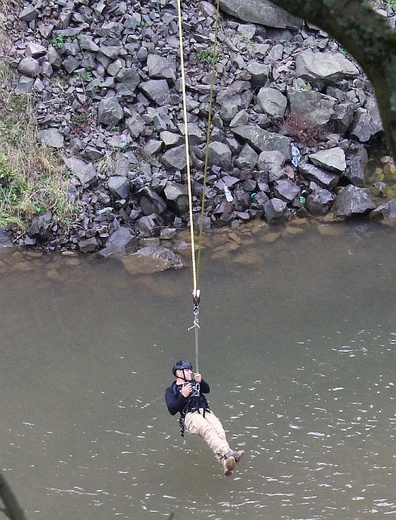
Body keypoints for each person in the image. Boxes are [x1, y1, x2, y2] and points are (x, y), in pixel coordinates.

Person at [165, 360, 244, 476]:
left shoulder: (194, 383)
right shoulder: (171, 391)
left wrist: (201, 381)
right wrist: (183, 396)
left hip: (204, 411)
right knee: (207, 429)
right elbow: (172, 410)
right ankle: (228, 452)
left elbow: (207, 389)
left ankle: (225, 462)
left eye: (190, 370)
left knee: (219, 431)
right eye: (187, 370)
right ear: (178, 373)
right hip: (190, 416)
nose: (190, 372)